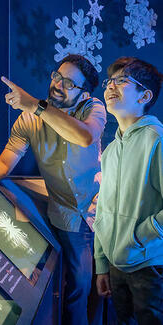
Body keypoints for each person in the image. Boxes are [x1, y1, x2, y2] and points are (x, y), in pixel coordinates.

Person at [0, 54, 107, 325]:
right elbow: (4, 164)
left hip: (97, 213)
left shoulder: (94, 108)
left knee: (91, 288)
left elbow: (85, 135)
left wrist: (35, 104)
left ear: (84, 93)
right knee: (72, 288)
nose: (58, 84)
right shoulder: (28, 121)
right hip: (63, 215)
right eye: (57, 76)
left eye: (69, 83)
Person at [94, 57, 163, 324]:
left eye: (122, 81)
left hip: (149, 267)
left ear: (145, 95)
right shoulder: (110, 150)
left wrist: (139, 236)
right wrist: (102, 264)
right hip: (116, 265)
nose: (111, 87)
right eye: (109, 81)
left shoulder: (156, 140)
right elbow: (103, 209)